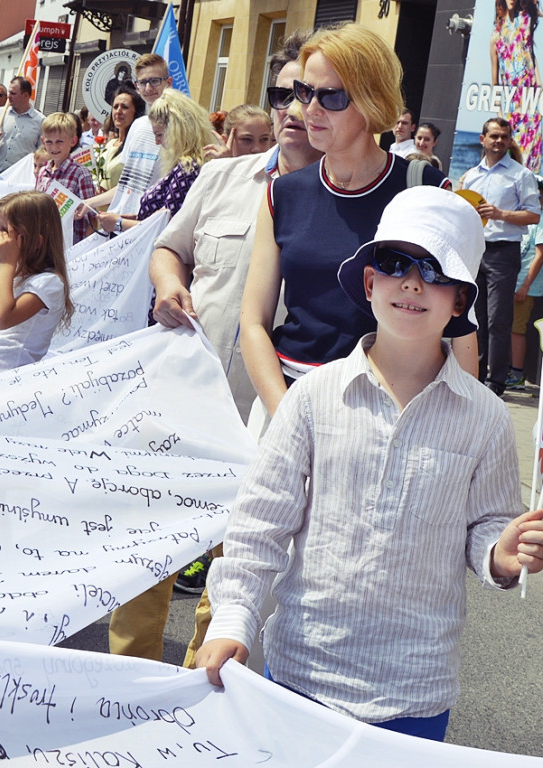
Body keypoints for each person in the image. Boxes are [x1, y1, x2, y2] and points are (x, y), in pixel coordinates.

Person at [197, 185, 543, 742]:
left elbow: (484, 526)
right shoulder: (313, 396)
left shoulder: (486, 417)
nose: (411, 282)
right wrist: (234, 618)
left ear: (460, 300)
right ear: (369, 280)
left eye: (435, 271)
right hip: (299, 674)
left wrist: (500, 554)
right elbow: (260, 523)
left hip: (414, 691)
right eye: (394, 261)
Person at [110, 33, 322, 665]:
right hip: (188, 402)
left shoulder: (347, 201)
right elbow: (169, 248)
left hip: (270, 419)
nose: (293, 109)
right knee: (149, 554)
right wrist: (169, 284)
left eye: (311, 95)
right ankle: (125, 687)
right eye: (283, 93)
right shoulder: (222, 177)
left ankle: (196, 709)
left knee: (237, 578)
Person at [239, 24, 462, 426]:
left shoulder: (425, 188)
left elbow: (461, 325)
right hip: (290, 396)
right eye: (306, 92)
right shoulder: (283, 194)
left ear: (372, 102)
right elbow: (253, 321)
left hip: (394, 409)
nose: (310, 108)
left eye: (332, 96)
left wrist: (463, 425)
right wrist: (285, 414)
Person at [0, 190, 73, 382]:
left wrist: (6, 264)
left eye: (5, 231)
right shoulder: (14, 276)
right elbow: (3, 332)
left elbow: (1, 319)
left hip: (3, 378)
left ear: (36, 241)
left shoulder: (49, 284)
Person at [459, 117, 541, 394]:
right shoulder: (471, 176)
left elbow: (533, 214)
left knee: (498, 320)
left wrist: (500, 214)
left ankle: (496, 382)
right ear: (483, 139)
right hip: (475, 249)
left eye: (504, 137)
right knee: (476, 318)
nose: (499, 141)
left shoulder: (521, 175)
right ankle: (476, 377)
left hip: (503, 251)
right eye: (494, 136)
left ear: (509, 141)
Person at [93, 89, 214, 236]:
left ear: (177, 131)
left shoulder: (188, 169)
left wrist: (119, 224)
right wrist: (135, 219)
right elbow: (162, 217)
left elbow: (167, 225)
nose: (157, 142)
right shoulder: (186, 165)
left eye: (159, 135)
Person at [78, 53, 171, 216]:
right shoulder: (137, 125)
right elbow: (127, 186)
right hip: (119, 224)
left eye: (155, 81)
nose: (148, 88)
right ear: (137, 86)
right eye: (143, 82)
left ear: (168, 83)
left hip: (147, 226)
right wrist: (90, 202)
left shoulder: (178, 128)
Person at [492, 0, 542, 171]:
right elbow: (495, 82)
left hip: (531, 99)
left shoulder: (525, 20)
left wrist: (540, 85)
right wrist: (499, 113)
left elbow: (531, 54)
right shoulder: (496, 36)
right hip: (512, 104)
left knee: (533, 150)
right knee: (516, 152)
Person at [35, 111, 95, 244]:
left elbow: (91, 216)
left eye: (59, 141)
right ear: (43, 142)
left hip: (71, 244)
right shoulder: (42, 172)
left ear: (73, 141)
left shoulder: (81, 173)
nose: (54, 147)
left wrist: (85, 250)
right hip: (45, 243)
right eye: (49, 142)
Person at [0, 76, 44, 177]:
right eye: (9, 92)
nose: (8, 96)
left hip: (19, 178)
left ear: (26, 96)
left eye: (13, 93)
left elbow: (42, 153)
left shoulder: (40, 120)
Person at [509, 220, 543, 389]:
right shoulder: (527, 220)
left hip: (526, 287)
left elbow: (540, 254)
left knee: (517, 329)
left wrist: (525, 285)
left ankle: (517, 374)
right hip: (512, 282)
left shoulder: (540, 220)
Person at [95, 86, 146, 191]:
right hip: (96, 206)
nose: (118, 111)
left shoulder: (137, 148)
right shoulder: (110, 144)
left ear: (136, 112)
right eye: (115, 107)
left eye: (125, 107)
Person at [202, 103, 273, 160]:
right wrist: (225, 164)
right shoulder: (212, 171)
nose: (257, 149)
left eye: (264, 139)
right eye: (247, 139)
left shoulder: (277, 173)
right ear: (225, 140)